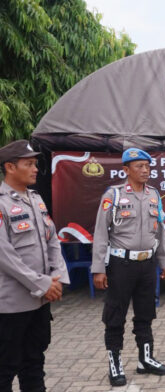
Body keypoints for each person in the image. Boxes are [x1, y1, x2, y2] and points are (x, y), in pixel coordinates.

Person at [91, 148, 165, 386]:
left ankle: (145, 359)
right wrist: (98, 268)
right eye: (139, 166)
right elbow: (100, 233)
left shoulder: (154, 195)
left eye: (147, 166)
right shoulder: (113, 195)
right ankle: (115, 363)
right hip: (120, 264)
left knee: (146, 313)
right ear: (126, 170)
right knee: (115, 315)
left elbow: (160, 230)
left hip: (147, 263)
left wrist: (164, 260)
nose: (145, 170)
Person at [0, 139, 70, 392]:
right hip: (12, 305)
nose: (35, 169)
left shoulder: (35, 199)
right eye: (28, 164)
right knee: (5, 369)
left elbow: (52, 241)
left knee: (34, 364)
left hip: (39, 302)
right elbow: (5, 256)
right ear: (9, 167)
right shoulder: (2, 203)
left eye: (35, 163)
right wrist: (43, 284)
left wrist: (57, 277)